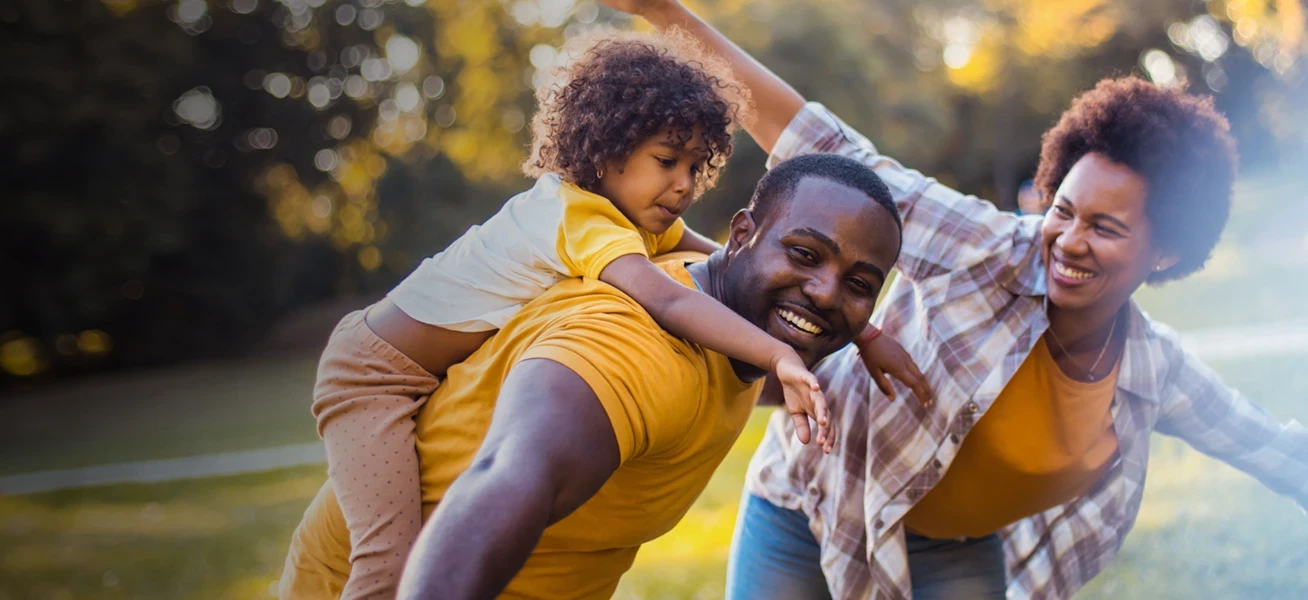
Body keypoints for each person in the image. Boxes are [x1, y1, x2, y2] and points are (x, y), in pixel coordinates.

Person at [607, 1, 1308, 598]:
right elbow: (820, 143)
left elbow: (1267, 447)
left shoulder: (1150, 371)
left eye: (1106, 228)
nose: (1067, 241)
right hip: (810, 501)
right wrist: (664, 12)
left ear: (1166, 252)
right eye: (1063, 211)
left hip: (955, 553)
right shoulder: (990, 250)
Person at [303, 28, 918, 598]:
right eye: (666, 161)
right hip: (372, 375)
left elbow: (732, 259)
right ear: (605, 149)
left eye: (694, 166)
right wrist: (780, 354)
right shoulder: (592, 237)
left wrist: (863, 332)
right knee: (384, 569)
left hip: (412, 365)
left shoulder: (647, 227)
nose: (684, 185)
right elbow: (669, 302)